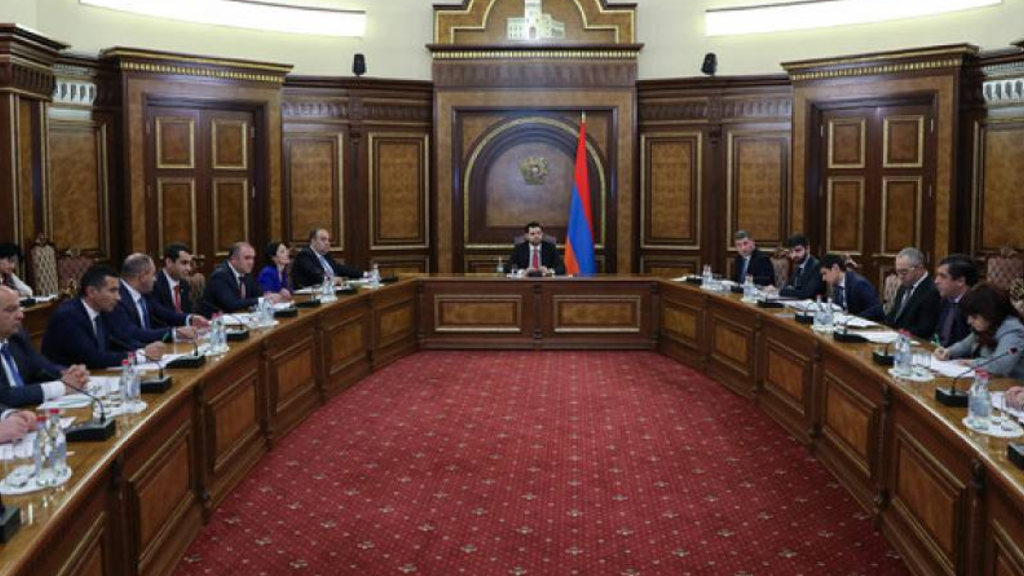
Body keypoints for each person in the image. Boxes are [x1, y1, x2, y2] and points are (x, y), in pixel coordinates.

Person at [42, 265, 164, 369]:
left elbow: (120, 341)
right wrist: (139, 356)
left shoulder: (103, 311)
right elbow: (92, 358)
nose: (118, 297)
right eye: (112, 291)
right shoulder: (69, 316)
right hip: (66, 382)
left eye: (118, 291)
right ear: (91, 292)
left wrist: (144, 350)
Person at [0, 286, 89, 407]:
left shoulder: (16, 337)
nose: (21, 315)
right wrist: (61, 386)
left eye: (19, 308)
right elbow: (4, 396)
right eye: (11, 310)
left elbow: (40, 366)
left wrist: (68, 373)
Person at [108, 253, 206, 345]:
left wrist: (190, 319)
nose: (155, 279)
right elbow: (133, 333)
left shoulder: (144, 294)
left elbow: (163, 313)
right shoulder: (117, 298)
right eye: (153, 274)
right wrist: (174, 333)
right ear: (142, 277)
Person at [935, 283, 1024, 381]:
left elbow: (1000, 366)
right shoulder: (987, 325)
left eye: (974, 317)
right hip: (987, 381)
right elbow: (964, 345)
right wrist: (948, 352)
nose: (969, 321)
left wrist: (971, 363)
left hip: (1009, 385)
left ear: (990, 313)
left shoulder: (1013, 330)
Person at [201, 242, 284, 316]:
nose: (251, 262)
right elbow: (232, 304)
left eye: (253, 258)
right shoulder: (220, 276)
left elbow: (258, 293)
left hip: (238, 318)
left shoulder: (246, 273)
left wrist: (269, 296)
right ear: (233, 260)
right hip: (212, 322)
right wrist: (262, 300)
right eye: (247, 258)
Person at [883, 247, 941, 339]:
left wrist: (897, 334)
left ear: (920, 268)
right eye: (897, 272)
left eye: (904, 272)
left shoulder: (932, 291)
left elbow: (925, 328)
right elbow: (894, 315)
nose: (900, 277)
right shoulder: (904, 285)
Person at [819, 253, 884, 321]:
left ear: (835, 268)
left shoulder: (859, 284)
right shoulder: (837, 286)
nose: (823, 278)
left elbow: (876, 311)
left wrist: (852, 319)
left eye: (825, 273)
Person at [291, 228, 362, 289]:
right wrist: (334, 279)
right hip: (309, 294)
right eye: (323, 240)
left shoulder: (325, 255)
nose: (327, 243)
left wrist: (363, 274)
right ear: (313, 241)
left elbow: (339, 268)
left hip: (330, 290)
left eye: (328, 240)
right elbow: (316, 275)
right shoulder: (304, 255)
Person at [933, 254, 978, 348]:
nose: (936, 281)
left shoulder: (975, 306)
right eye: (937, 275)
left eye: (943, 276)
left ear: (960, 281)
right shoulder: (945, 300)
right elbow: (937, 336)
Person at [776, 233, 823, 299]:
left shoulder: (817, 266)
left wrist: (779, 291)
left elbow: (807, 293)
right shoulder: (799, 265)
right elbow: (790, 286)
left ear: (807, 249)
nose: (793, 255)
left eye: (797, 250)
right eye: (791, 252)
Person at [153, 243, 196, 315]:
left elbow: (187, 312)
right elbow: (159, 316)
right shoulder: (154, 284)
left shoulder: (184, 284)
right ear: (169, 262)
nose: (189, 268)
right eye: (184, 263)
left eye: (190, 263)